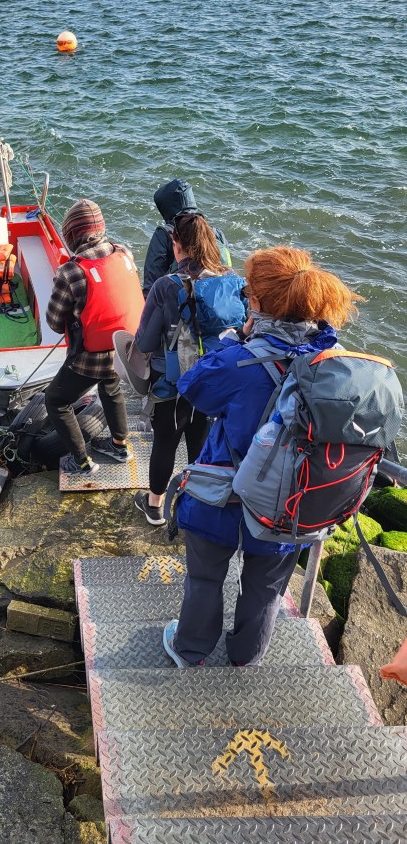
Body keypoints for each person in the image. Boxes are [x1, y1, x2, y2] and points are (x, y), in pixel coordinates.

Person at [162, 246, 362, 668]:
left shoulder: (239, 359)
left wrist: (236, 338)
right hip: (291, 504)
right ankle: (247, 656)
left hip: (222, 494)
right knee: (266, 588)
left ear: (258, 303)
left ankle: (192, 649)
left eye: (247, 292)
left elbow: (192, 386)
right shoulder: (333, 362)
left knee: (204, 577)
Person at [133, 212, 243, 525]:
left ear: (177, 245)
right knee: (203, 441)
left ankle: (154, 506)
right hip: (215, 379)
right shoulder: (234, 282)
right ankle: (198, 503)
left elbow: (145, 339)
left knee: (166, 441)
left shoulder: (166, 285)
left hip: (174, 380)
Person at [45, 199, 144, 474]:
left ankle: (81, 462)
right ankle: (119, 445)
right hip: (125, 350)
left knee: (56, 400)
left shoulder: (71, 271)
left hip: (88, 359)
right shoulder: (124, 253)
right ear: (100, 227)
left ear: (72, 235)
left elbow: (54, 322)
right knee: (110, 386)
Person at [143, 178, 231, 296]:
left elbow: (151, 286)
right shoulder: (215, 233)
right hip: (220, 299)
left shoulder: (164, 234)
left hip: (181, 305)